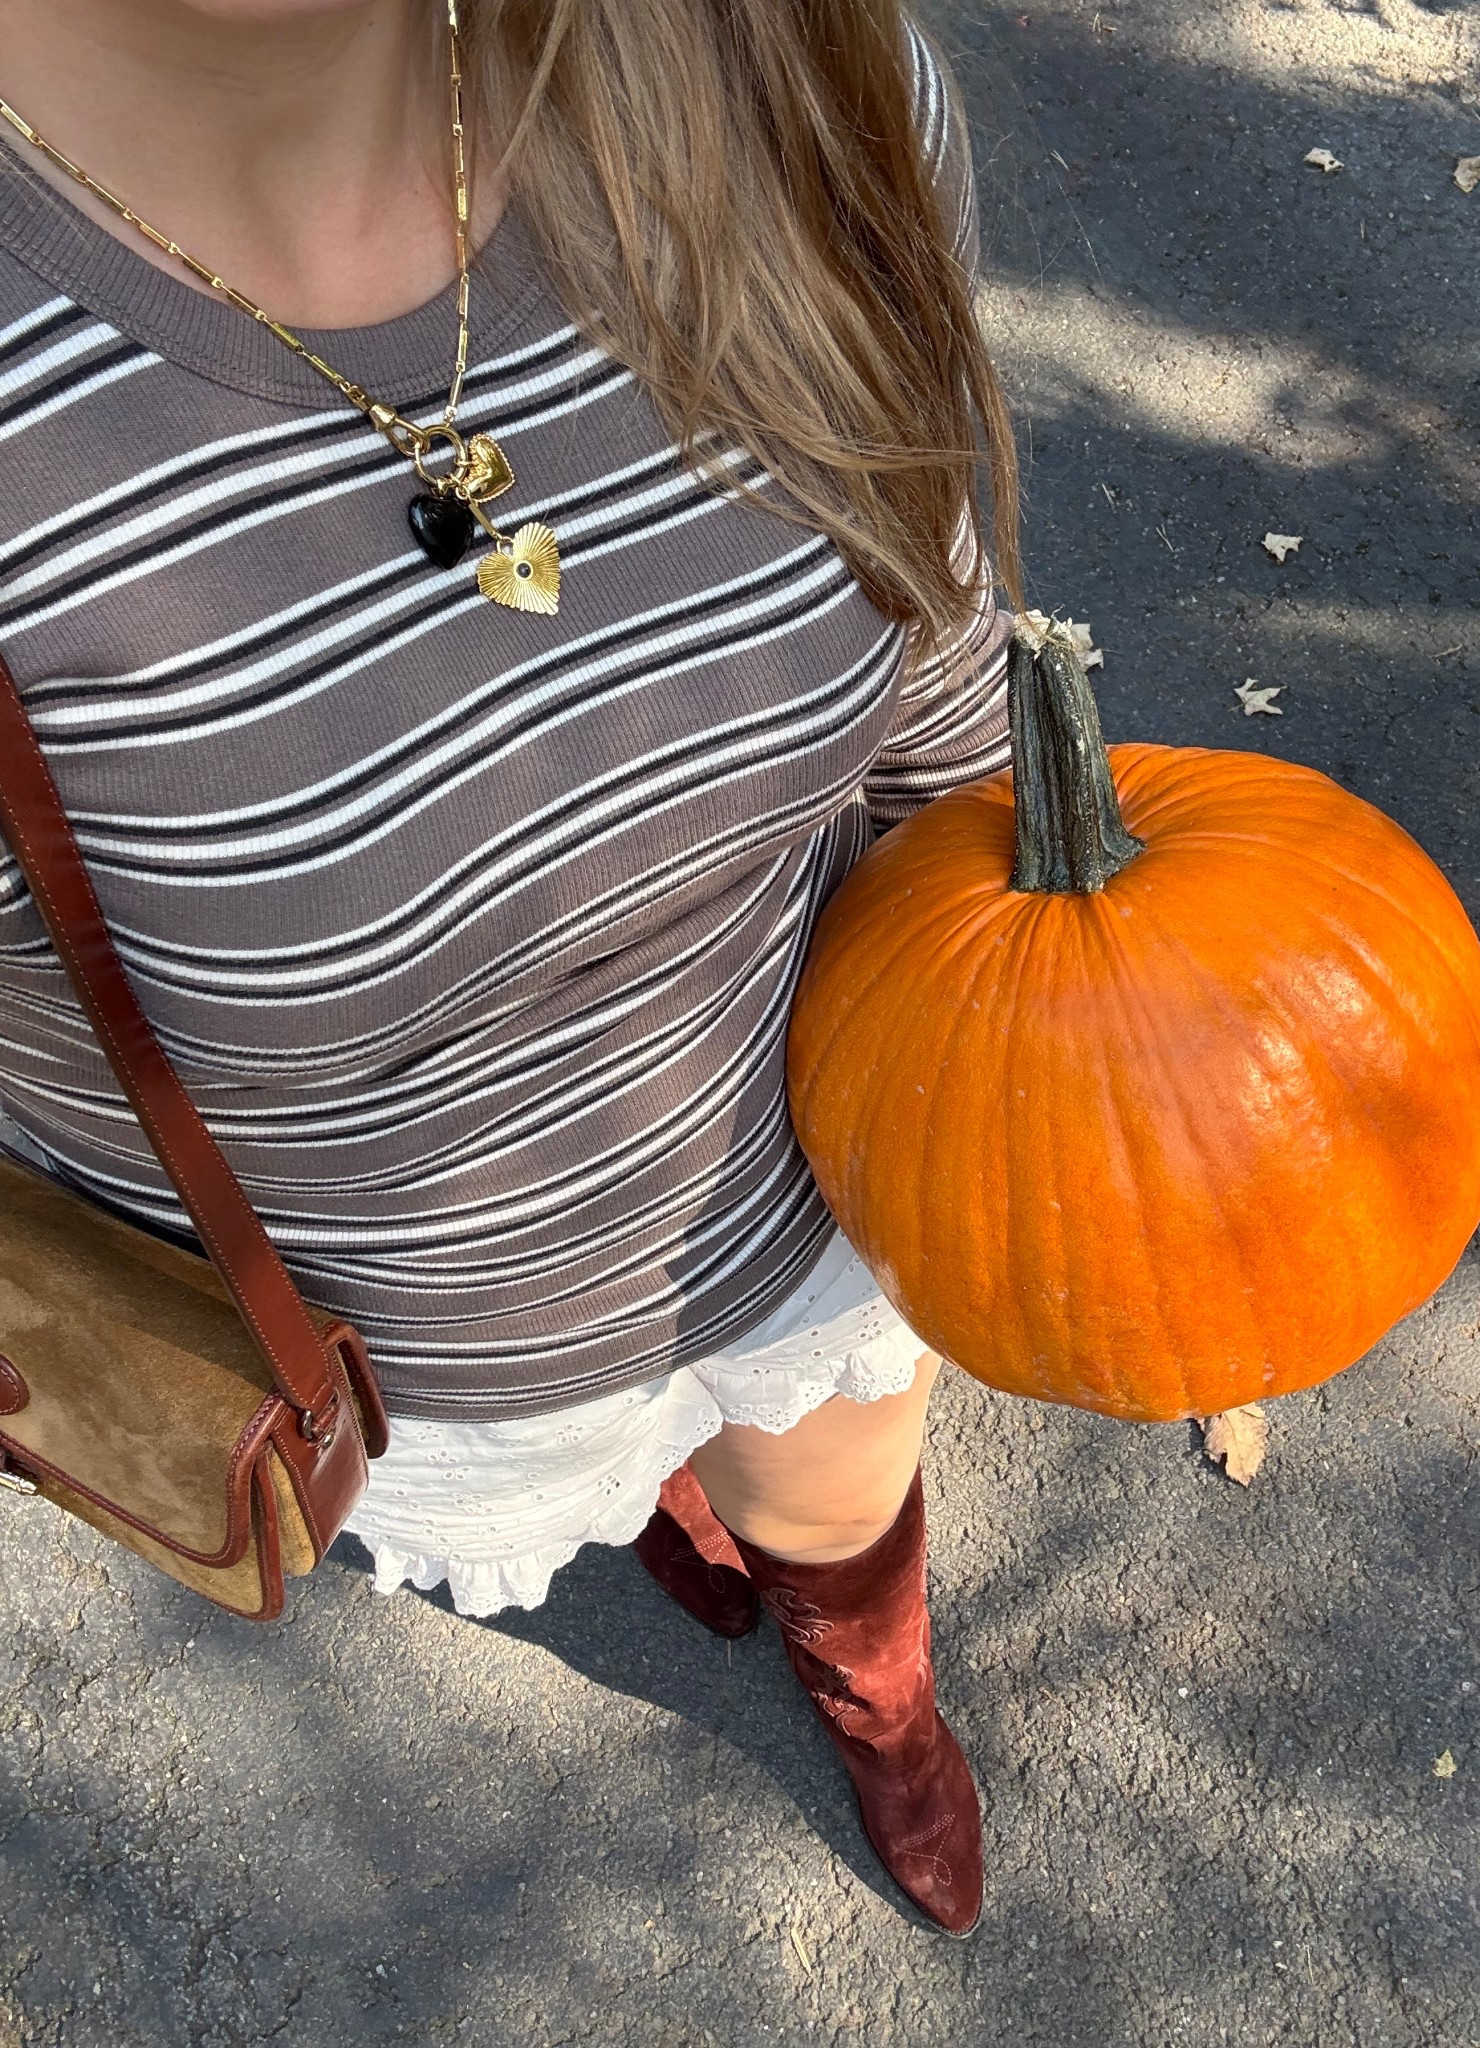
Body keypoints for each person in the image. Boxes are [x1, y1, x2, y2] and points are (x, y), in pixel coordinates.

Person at [0, 0, 1020, 1937]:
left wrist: (1048, 1001)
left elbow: (933, 579)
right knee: (684, 1489)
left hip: (802, 1174)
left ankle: (874, 1691)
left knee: (836, 1503)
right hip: (399, 1358)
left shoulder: (785, 59)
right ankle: (687, 1518)